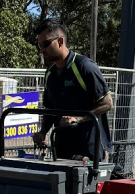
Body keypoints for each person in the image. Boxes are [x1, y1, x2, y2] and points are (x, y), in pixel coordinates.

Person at [31, 20, 114, 161]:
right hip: (61, 151)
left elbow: (107, 103)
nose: (42, 50)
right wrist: (43, 131)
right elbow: (50, 109)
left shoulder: (84, 67)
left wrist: (77, 118)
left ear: (60, 41)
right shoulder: (50, 74)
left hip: (88, 152)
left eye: (45, 44)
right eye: (39, 45)